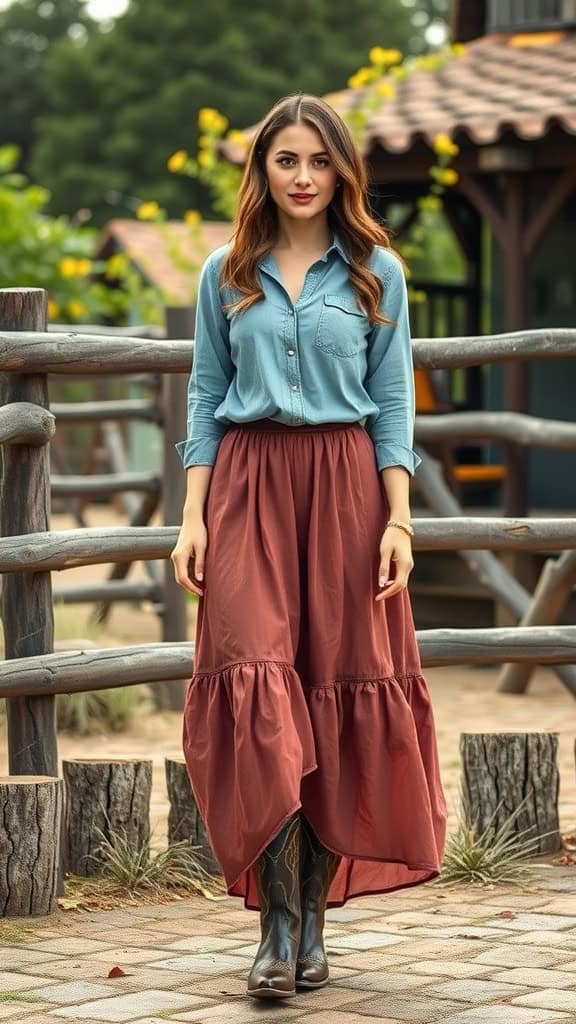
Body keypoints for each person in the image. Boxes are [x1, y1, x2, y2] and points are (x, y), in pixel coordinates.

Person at [171, 92, 447, 1001]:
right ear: (263, 171)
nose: (301, 177)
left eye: (317, 161)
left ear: (341, 172)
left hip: (345, 491)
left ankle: (313, 926)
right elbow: (206, 397)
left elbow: (394, 405)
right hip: (248, 489)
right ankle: (272, 927)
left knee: (331, 690)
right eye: (285, 160)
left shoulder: (376, 272)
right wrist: (192, 516)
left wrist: (398, 520)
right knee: (256, 679)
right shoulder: (226, 271)